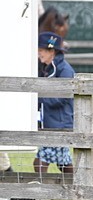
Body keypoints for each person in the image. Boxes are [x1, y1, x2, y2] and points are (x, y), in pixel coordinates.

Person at [34, 31, 75, 177]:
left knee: (40, 162)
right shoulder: (45, 69)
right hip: (50, 124)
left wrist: (37, 99)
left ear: (52, 51)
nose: (39, 54)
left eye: (41, 51)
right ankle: (80, 187)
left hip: (59, 125)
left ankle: (39, 196)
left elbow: (62, 97)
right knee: (64, 165)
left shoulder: (65, 70)